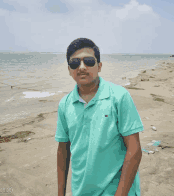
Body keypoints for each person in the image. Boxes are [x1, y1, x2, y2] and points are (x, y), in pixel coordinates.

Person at [55, 38, 144, 196]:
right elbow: (63, 150)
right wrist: (60, 193)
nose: (82, 67)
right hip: (81, 191)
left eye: (88, 61)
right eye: (75, 63)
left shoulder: (118, 97)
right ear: (69, 70)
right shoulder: (65, 104)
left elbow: (134, 149)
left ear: (99, 66)